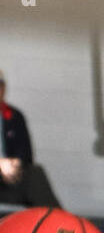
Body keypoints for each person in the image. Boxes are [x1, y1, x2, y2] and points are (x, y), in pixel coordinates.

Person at [0, 72, 60, 208]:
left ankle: (57, 223)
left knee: (35, 174)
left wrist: (14, 164)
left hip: (8, 178)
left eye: (1, 85)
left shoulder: (14, 116)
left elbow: (26, 153)